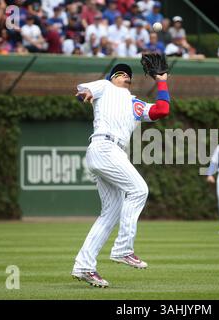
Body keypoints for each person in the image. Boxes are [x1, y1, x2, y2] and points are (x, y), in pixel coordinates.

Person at [72, 63, 171, 288]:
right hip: (104, 146)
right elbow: (83, 91)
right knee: (139, 190)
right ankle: (123, 249)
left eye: (128, 74)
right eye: (119, 73)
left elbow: (162, 110)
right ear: (112, 77)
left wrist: (162, 81)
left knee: (110, 213)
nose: (125, 75)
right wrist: (85, 93)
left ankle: (83, 266)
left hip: (111, 152)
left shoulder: (135, 104)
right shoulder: (105, 87)